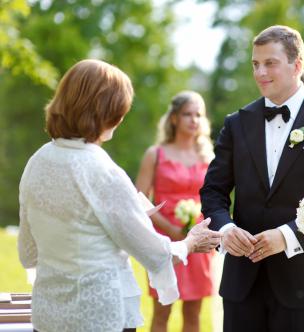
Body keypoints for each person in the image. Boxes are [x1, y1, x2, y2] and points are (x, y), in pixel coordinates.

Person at [17, 59, 222, 332]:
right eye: (119, 109)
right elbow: (155, 254)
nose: (122, 117)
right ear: (105, 112)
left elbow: (28, 253)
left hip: (49, 316)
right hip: (98, 317)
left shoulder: (37, 161)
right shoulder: (104, 172)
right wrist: (191, 242)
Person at [200, 25, 304, 332]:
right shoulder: (236, 123)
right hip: (241, 283)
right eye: (255, 64)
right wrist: (226, 228)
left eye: (270, 63)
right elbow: (212, 191)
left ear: (297, 65)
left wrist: (288, 235)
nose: (260, 72)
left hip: (302, 284)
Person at [135, 91, 215, 332]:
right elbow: (139, 199)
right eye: (187, 114)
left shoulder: (208, 156)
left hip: (198, 240)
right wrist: (169, 227)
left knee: (193, 313)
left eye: (198, 115)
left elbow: (215, 198)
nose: (194, 120)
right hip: (164, 239)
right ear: (174, 118)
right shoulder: (155, 154)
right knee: (162, 309)